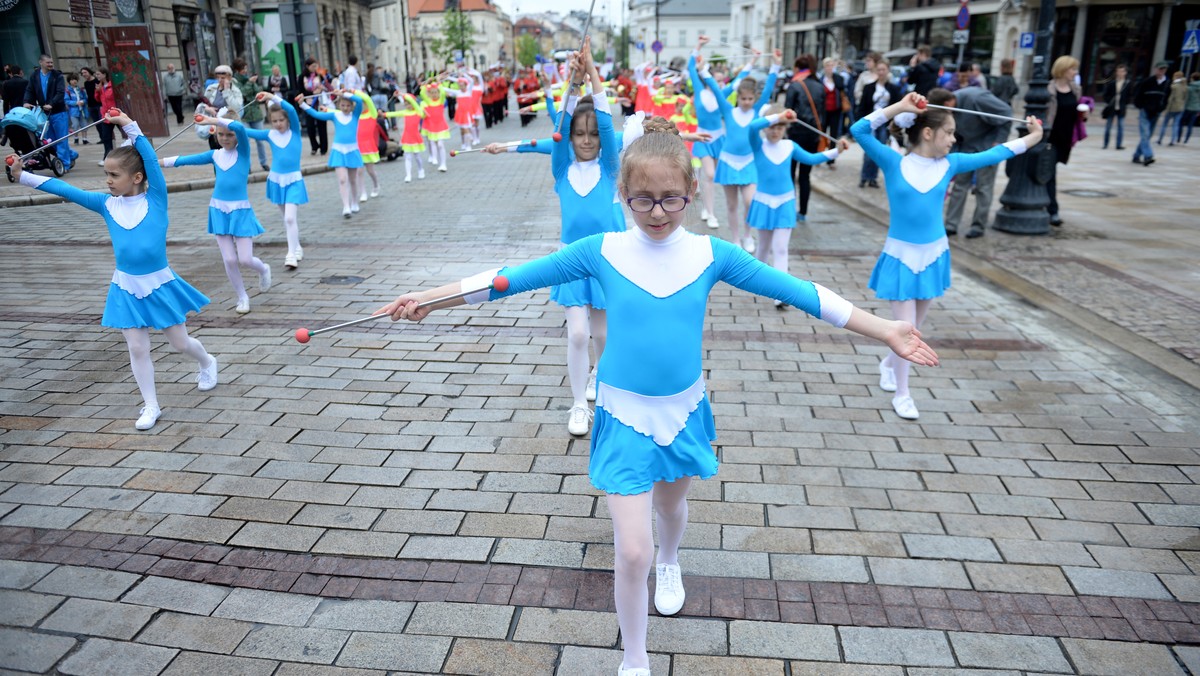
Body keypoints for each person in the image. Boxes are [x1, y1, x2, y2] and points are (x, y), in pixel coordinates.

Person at [379, 116, 938, 676]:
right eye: (642, 200)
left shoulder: (712, 254)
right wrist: (429, 298)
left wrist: (885, 330)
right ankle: (635, 657)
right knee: (630, 550)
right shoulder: (601, 250)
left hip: (685, 410)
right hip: (623, 415)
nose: (656, 213)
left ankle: (672, 561)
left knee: (671, 509)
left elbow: (803, 293)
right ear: (621, 194)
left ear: (692, 194)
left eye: (671, 200)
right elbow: (506, 278)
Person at [8, 109, 218, 430]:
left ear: (136, 177)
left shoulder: (156, 197)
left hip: (159, 283)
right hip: (125, 286)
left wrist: (127, 124)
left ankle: (206, 361)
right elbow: (65, 190)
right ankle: (151, 405)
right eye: (106, 174)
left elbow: (147, 156)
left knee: (180, 343)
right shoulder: (106, 205)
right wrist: (22, 176)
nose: (108, 181)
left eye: (114, 175)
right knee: (137, 347)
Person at [850, 91, 1042, 421]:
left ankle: (888, 363)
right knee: (908, 329)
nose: (954, 139)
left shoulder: (951, 164)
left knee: (915, 327)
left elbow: (997, 152)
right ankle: (903, 392)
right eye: (949, 132)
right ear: (928, 133)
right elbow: (859, 130)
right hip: (900, 256)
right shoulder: (893, 161)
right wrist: (900, 107)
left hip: (934, 255)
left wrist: (1034, 136)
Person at [547, 42, 622, 436]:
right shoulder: (562, 169)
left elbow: (609, 125)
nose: (588, 139)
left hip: (606, 260)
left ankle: (601, 383)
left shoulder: (611, 169)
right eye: (580, 133)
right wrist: (573, 82)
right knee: (578, 333)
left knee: (605, 334)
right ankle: (579, 404)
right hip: (572, 261)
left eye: (593, 133)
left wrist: (593, 73)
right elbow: (559, 123)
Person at [161, 108, 271, 314]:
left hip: (240, 211)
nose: (226, 138)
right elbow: (186, 160)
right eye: (221, 134)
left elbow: (238, 126)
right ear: (215, 134)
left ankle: (263, 269)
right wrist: (157, 163)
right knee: (229, 259)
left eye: (229, 135)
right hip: (218, 210)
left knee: (246, 259)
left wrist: (212, 119)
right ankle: (242, 296)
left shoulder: (243, 151)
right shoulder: (215, 155)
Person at [747, 105, 845, 298]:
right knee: (763, 247)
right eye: (772, 126)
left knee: (781, 248)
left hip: (785, 203)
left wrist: (837, 151)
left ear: (786, 128)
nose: (775, 131)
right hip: (763, 202)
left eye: (780, 127)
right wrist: (778, 115)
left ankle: (780, 293)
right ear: (766, 128)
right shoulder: (758, 145)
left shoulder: (790, 146)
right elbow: (752, 127)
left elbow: (811, 159)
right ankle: (754, 282)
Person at [699, 49, 781, 253]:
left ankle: (747, 234)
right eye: (743, 98)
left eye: (749, 99)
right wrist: (703, 71)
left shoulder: (756, 111)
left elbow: (769, 87)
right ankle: (735, 238)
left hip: (749, 162)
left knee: (750, 201)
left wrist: (776, 66)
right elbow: (717, 92)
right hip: (728, 162)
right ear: (738, 98)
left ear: (754, 99)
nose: (746, 102)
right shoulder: (728, 110)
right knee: (732, 205)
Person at [943, 84, 1015, 238]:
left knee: (983, 187)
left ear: (949, 100)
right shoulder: (948, 108)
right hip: (967, 146)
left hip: (987, 146)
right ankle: (951, 224)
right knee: (959, 186)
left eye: (945, 109)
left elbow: (1007, 113)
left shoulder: (976, 98)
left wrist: (999, 141)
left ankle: (978, 226)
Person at [246, 92, 309, 269]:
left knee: (290, 218)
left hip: (294, 180)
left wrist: (271, 96)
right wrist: (219, 120)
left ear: (287, 120)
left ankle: (291, 254)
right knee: (287, 218)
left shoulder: (295, 131)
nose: (278, 124)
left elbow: (289, 108)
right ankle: (296, 247)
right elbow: (245, 130)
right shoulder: (269, 134)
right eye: (274, 121)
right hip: (276, 180)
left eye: (281, 120)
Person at [298, 89, 363, 218]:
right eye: (343, 105)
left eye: (348, 105)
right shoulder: (335, 115)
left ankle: (355, 201)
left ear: (352, 107)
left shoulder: (355, 115)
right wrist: (302, 104)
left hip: (352, 151)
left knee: (353, 180)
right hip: (338, 151)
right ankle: (346, 205)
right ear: (339, 105)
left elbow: (359, 100)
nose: (345, 108)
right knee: (342, 179)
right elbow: (316, 115)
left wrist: (343, 94)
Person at [783, 54, 826, 223]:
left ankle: (790, 210)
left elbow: (787, 112)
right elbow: (823, 114)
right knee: (805, 176)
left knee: (790, 174)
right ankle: (803, 212)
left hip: (794, 135)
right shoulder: (819, 86)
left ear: (797, 68)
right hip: (813, 136)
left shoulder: (794, 85)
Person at [1044, 55, 1081, 226]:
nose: (1075, 72)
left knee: (1050, 173)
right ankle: (1053, 211)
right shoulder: (1049, 89)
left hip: (1066, 138)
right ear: (1063, 70)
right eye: (1072, 69)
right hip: (1051, 138)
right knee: (1050, 174)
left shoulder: (1075, 89)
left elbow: (1076, 113)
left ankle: (1046, 205)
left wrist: (1084, 115)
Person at [25, 54, 77, 171]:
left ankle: (65, 164)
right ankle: (72, 155)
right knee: (49, 142)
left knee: (61, 139)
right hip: (44, 114)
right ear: (41, 63)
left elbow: (60, 92)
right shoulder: (35, 76)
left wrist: (51, 104)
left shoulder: (57, 75)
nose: (50, 65)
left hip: (59, 112)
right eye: (48, 62)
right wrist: (27, 102)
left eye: (51, 62)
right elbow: (30, 90)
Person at [856, 60, 901, 189]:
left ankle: (873, 178)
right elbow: (863, 106)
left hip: (884, 123)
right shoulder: (869, 87)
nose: (881, 72)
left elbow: (897, 106)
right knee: (869, 150)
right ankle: (865, 177)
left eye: (884, 70)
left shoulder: (893, 88)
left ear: (888, 71)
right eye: (879, 70)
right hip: (870, 122)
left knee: (879, 150)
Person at [1131, 61, 1171, 166]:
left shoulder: (1167, 83)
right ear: (1155, 69)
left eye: (1164, 69)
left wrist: (1162, 108)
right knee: (1145, 134)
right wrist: (1140, 106)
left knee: (1148, 135)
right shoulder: (1147, 82)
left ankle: (1136, 155)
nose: (1161, 71)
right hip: (1145, 111)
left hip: (1156, 112)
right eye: (1160, 69)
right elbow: (1138, 94)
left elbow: (1166, 98)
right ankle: (1148, 156)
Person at [232, 59, 269, 172]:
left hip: (256, 113)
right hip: (244, 115)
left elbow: (258, 93)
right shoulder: (234, 82)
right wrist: (250, 83)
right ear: (237, 70)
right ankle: (247, 166)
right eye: (243, 69)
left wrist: (253, 85)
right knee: (245, 142)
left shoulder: (249, 79)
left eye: (246, 68)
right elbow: (242, 93)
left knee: (260, 140)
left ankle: (264, 163)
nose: (245, 71)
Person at [386, 91, 427, 181]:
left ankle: (421, 170)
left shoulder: (418, 111)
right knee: (407, 156)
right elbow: (394, 114)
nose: (408, 105)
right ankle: (408, 175)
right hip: (407, 137)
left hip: (415, 137)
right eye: (406, 104)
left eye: (409, 103)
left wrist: (401, 94)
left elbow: (412, 101)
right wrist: (384, 114)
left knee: (417, 156)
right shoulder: (405, 112)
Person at [352, 90, 383, 201]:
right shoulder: (355, 116)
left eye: (362, 104)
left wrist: (352, 91)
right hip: (357, 147)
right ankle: (363, 192)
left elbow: (368, 99)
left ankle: (376, 185)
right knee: (359, 171)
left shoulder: (372, 114)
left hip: (368, 147)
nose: (360, 106)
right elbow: (339, 112)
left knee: (370, 171)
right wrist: (327, 109)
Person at [420, 80, 452, 172]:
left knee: (441, 145)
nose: (434, 94)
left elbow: (442, 93)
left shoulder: (441, 101)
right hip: (431, 126)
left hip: (441, 126)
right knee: (433, 142)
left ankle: (443, 164)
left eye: (435, 92)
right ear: (429, 94)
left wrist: (439, 83)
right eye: (432, 93)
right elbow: (422, 93)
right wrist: (426, 85)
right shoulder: (428, 102)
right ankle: (434, 157)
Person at [301, 58, 330, 155]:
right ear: (307, 66)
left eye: (315, 66)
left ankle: (323, 147)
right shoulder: (302, 77)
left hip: (319, 103)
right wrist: (311, 93)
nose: (314, 68)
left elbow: (327, 86)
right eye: (312, 66)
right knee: (310, 127)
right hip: (308, 104)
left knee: (322, 125)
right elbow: (300, 91)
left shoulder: (319, 76)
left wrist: (322, 89)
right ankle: (314, 146)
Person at [1101, 64, 1132, 150]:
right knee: (1108, 127)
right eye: (1118, 71)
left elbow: (1129, 95)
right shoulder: (1112, 83)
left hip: (1121, 108)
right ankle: (1105, 143)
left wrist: (1125, 103)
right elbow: (1106, 95)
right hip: (1112, 107)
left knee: (1121, 127)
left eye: (1122, 71)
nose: (1120, 73)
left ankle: (1118, 144)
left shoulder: (1127, 83)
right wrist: (1109, 101)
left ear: (1125, 73)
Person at [819, 57, 847, 144]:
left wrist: (834, 78)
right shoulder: (821, 80)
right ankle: (822, 148)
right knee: (822, 129)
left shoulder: (838, 78)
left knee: (834, 132)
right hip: (824, 110)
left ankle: (832, 152)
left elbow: (842, 88)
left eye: (831, 65)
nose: (829, 68)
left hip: (836, 109)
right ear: (824, 67)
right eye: (827, 65)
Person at [94, 68, 116, 166]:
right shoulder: (100, 86)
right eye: (96, 74)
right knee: (106, 137)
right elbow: (98, 99)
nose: (97, 76)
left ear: (104, 74)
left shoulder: (112, 85)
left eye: (98, 74)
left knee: (127, 133)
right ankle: (107, 157)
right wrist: (98, 91)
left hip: (116, 113)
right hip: (106, 115)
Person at [1159, 71, 1187, 145]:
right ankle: (1173, 141)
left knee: (1165, 124)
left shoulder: (1173, 86)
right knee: (1175, 124)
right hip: (1180, 108)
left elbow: (1171, 98)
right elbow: (1185, 98)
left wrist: (1167, 109)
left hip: (1172, 107)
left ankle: (1160, 139)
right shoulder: (1185, 86)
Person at [65, 74, 86, 141]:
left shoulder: (80, 90)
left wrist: (83, 101)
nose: (74, 81)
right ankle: (76, 138)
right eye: (72, 79)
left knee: (84, 125)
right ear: (69, 81)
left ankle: (84, 139)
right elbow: (67, 100)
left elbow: (85, 98)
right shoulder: (67, 90)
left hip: (82, 110)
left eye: (75, 79)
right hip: (73, 111)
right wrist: (75, 103)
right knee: (75, 125)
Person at [1182, 73, 1200, 145]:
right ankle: (1186, 140)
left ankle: (1178, 137)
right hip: (1196, 108)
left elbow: (1186, 98)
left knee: (1181, 122)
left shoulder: (1189, 87)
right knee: (1190, 125)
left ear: (1193, 78)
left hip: (1187, 108)